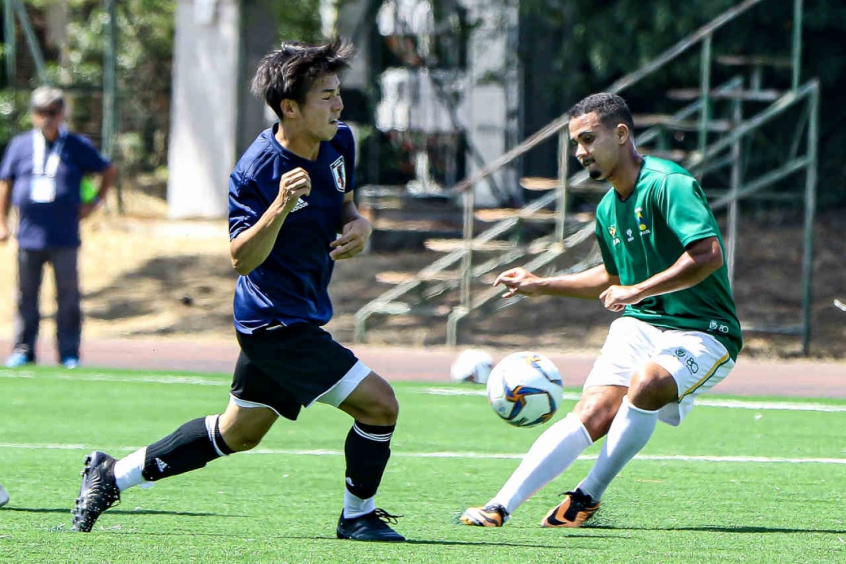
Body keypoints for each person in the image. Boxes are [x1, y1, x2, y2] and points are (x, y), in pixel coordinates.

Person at [70, 38, 405, 542]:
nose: (339, 105)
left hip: (298, 316)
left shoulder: (341, 142)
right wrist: (278, 206)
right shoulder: (255, 170)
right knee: (380, 405)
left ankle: (111, 474)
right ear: (289, 108)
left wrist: (361, 226)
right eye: (327, 96)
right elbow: (240, 258)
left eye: (338, 93)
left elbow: (347, 206)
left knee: (236, 434)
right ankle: (358, 516)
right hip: (275, 324)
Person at [460, 92, 742, 528]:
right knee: (592, 413)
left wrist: (638, 289)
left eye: (588, 139)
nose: (580, 152)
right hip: (643, 322)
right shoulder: (609, 207)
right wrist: (541, 285)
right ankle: (499, 505)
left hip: (704, 330)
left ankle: (586, 495)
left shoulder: (670, 185)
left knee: (647, 383)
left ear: (622, 134)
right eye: (576, 143)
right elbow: (613, 276)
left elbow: (707, 257)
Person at [0, 86, 117, 369]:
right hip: (29, 235)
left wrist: (96, 203)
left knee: (68, 297)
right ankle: (24, 349)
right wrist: (1, 222)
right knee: (26, 296)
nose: (47, 119)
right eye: (41, 113)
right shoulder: (20, 145)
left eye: (52, 112)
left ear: (62, 114)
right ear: (33, 115)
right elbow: (6, 182)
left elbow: (108, 170)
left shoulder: (76, 145)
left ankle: (68, 352)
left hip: (64, 236)